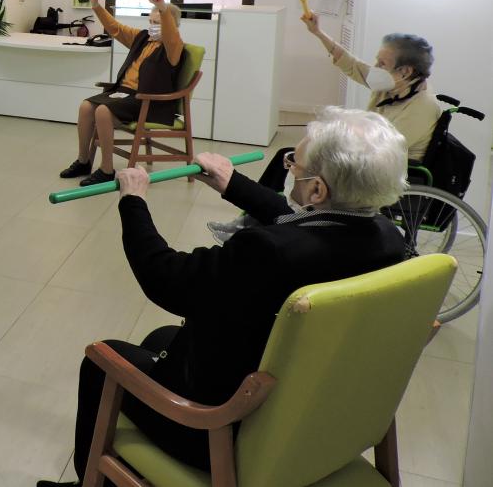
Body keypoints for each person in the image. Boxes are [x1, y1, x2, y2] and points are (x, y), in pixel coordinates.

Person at [38, 107, 408, 487]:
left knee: (102, 361)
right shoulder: (390, 242)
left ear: (317, 189)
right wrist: (233, 184)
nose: (289, 169)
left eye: (293, 163)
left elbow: (166, 278)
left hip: (221, 429)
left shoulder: (267, 252)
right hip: (318, 414)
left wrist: (133, 200)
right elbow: (309, 224)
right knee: (161, 340)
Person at [209, 17, 439, 243]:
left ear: (406, 72)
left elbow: (384, 152)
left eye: (382, 64)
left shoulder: (424, 106)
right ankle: (252, 217)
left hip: (384, 172)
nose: (375, 68)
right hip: (363, 159)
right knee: (286, 156)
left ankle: (262, 221)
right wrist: (317, 33)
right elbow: (352, 65)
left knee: (306, 165)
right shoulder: (390, 86)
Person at [60, 0, 184, 187]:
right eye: (151, 22)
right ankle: (83, 161)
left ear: (172, 26)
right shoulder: (142, 38)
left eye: (158, 23)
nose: (152, 27)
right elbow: (115, 28)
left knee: (103, 111)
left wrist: (163, 8)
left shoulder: (174, 46)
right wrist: (96, 6)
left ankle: (107, 170)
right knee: (86, 107)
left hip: (149, 100)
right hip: (126, 94)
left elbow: (170, 36)